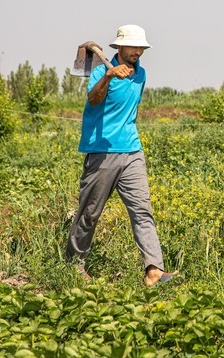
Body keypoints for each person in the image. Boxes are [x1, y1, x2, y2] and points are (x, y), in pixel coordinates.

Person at [66, 24, 178, 287]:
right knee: (90, 213)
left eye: (141, 47)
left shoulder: (141, 75)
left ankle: (154, 271)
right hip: (102, 153)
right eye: (133, 46)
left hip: (132, 151)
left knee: (142, 211)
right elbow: (93, 99)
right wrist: (108, 76)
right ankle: (74, 264)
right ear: (119, 47)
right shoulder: (99, 72)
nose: (138, 51)